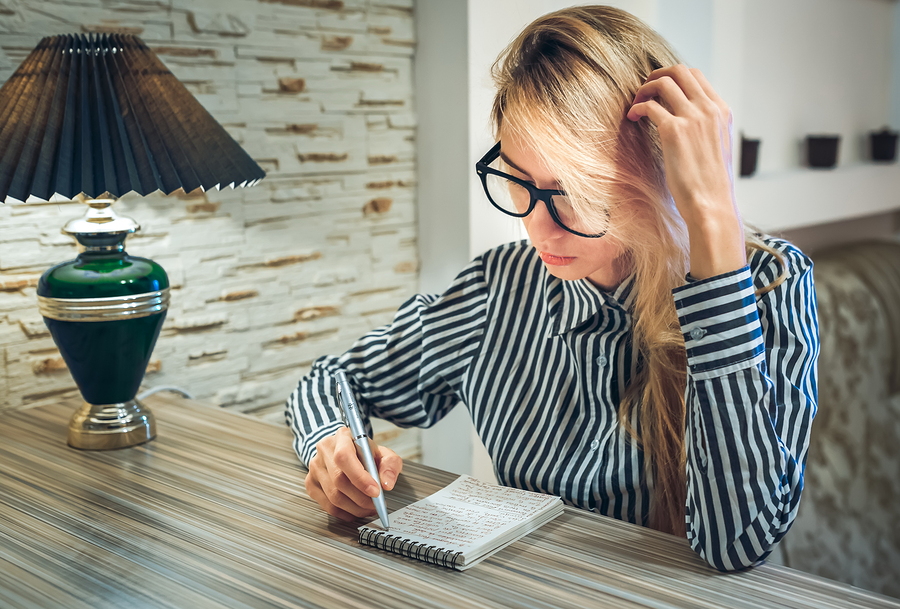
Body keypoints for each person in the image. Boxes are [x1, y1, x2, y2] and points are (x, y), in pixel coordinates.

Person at [285, 5, 819, 572]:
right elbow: (332, 380)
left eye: (576, 193)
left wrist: (713, 218)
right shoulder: (499, 288)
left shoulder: (768, 287)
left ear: (657, 169)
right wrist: (332, 444)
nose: (539, 227)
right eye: (519, 182)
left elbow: (735, 543)